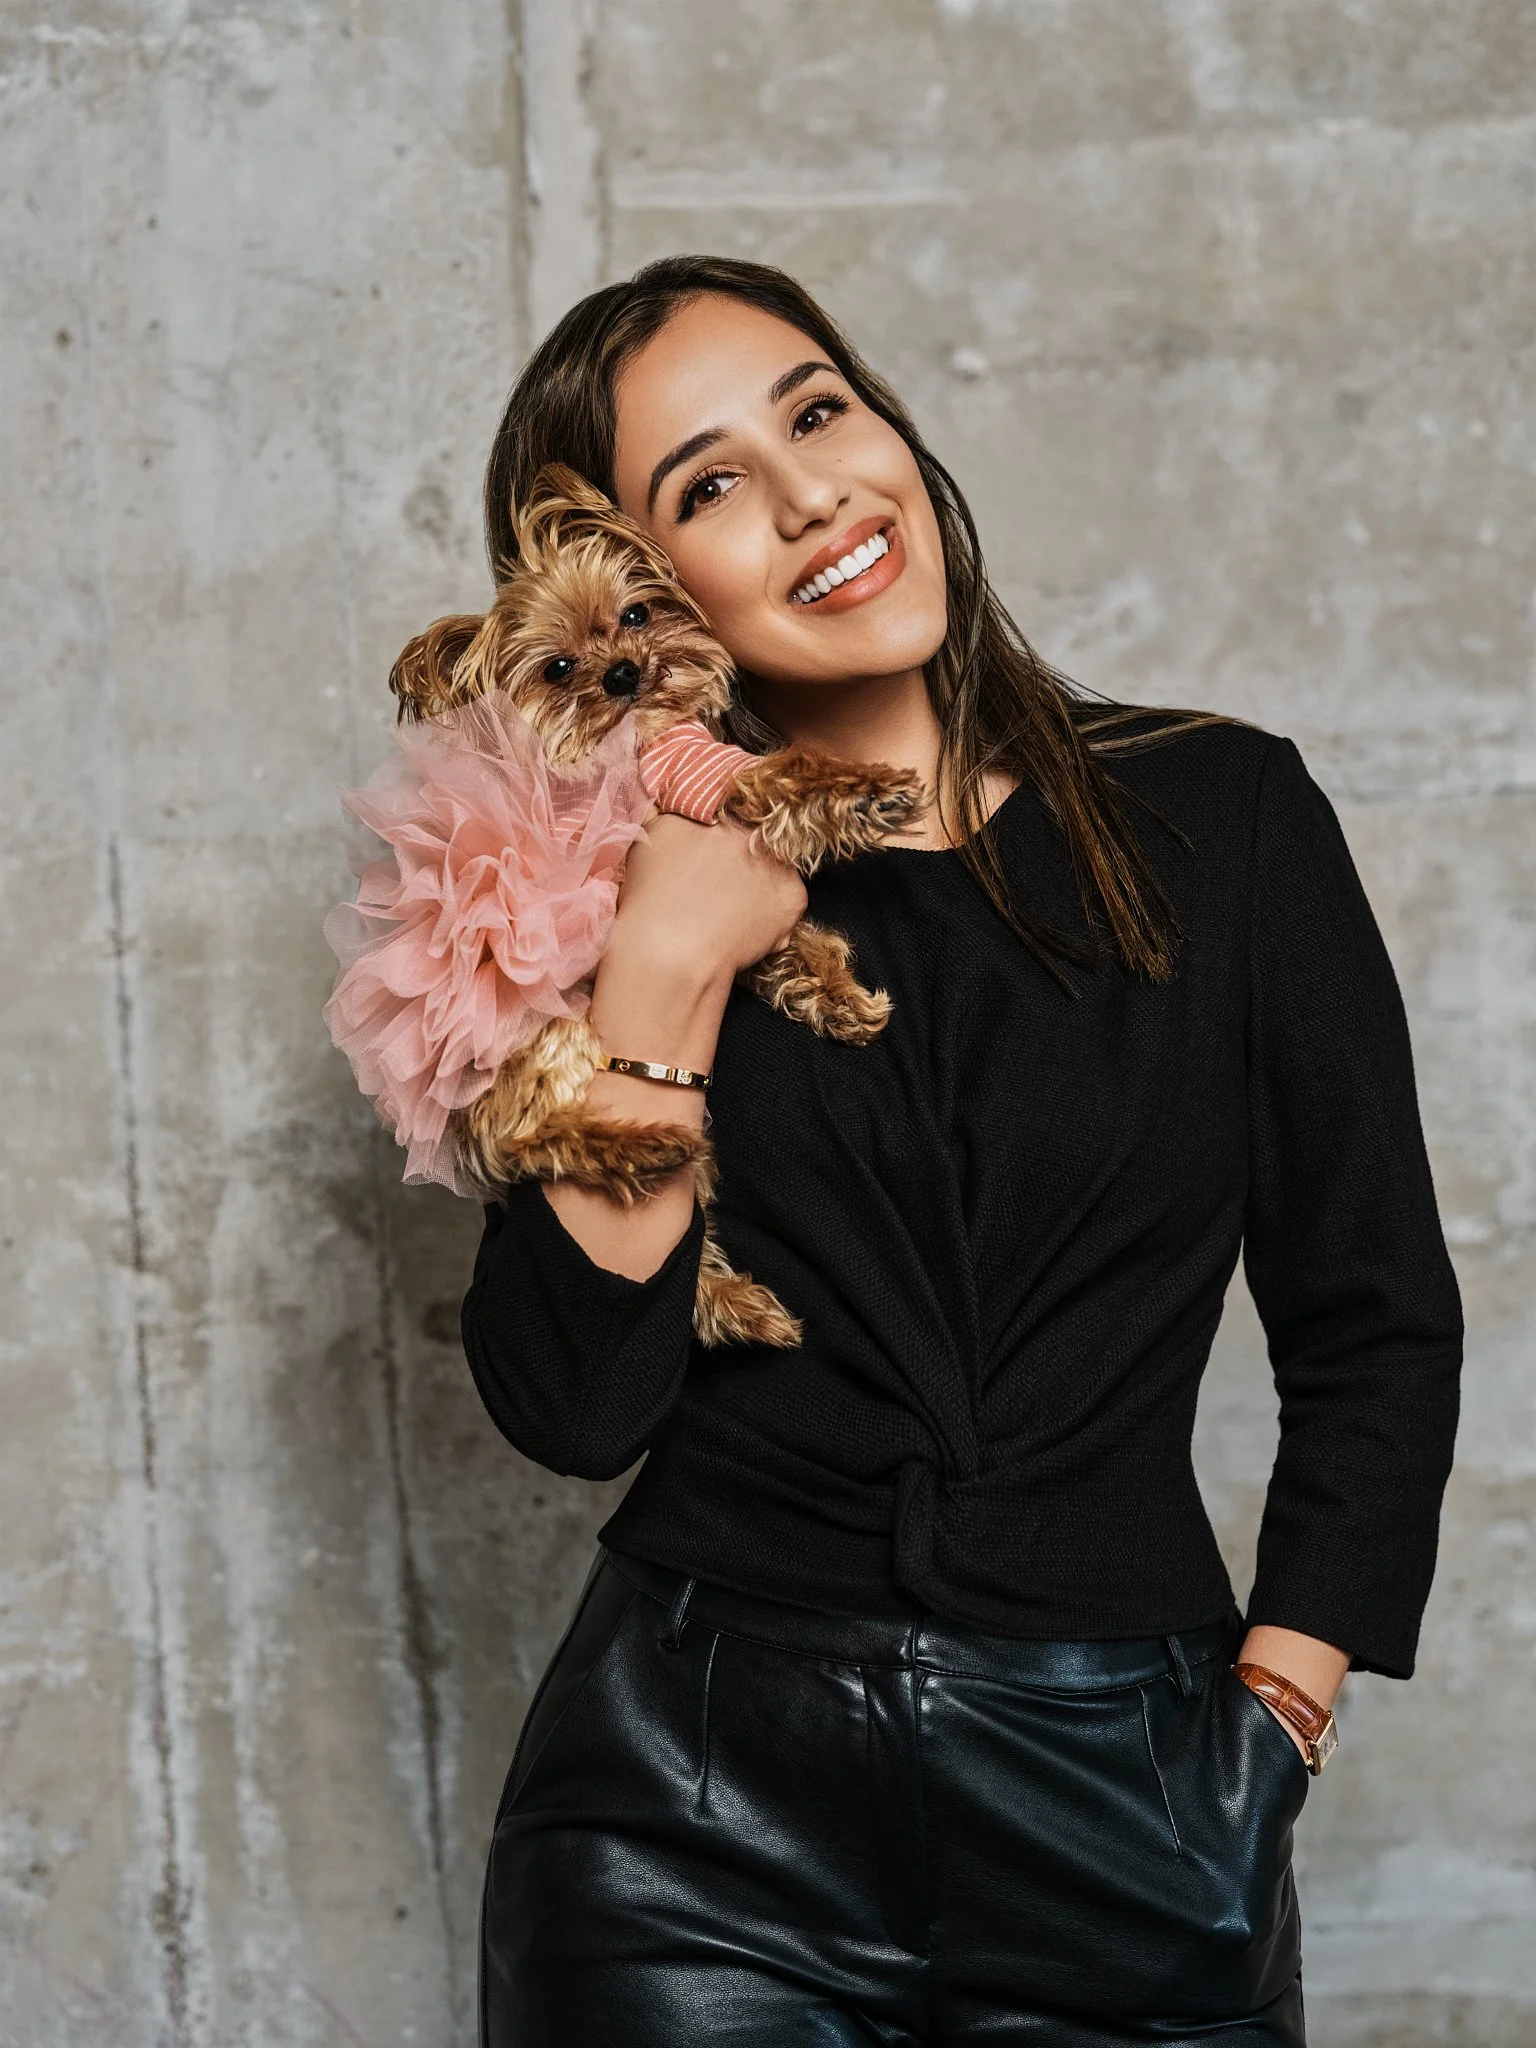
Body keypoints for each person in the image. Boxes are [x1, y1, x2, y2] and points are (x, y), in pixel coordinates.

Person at [444, 257, 1462, 2046]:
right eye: (708, 486)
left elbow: (1374, 1319)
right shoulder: (599, 906)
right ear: (633, 588)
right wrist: (668, 970)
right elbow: (573, 1410)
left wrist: (1275, 1720)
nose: (812, 492)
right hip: (688, 1824)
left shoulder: (1224, 819)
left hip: (1132, 1794)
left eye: (819, 412)